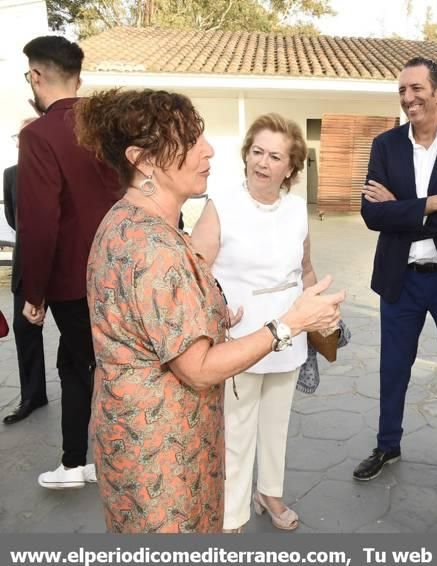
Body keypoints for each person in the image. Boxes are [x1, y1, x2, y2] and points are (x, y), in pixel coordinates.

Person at [76, 89, 344, 533]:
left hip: (146, 440)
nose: (210, 150)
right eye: (191, 140)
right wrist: (289, 324)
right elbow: (197, 369)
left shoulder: (128, 222)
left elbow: (160, 317)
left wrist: (218, 316)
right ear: (143, 159)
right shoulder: (154, 247)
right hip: (160, 455)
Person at [356, 57, 437, 496]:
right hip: (401, 279)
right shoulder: (385, 145)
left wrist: (404, 207)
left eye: (416, 88)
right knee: (393, 369)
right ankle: (386, 446)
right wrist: (432, 204)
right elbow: (373, 215)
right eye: (402, 91)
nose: (408, 98)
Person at [191, 113, 315, 532]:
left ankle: (270, 493)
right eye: (257, 152)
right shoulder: (220, 205)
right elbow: (193, 275)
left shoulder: (297, 209)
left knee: (276, 423)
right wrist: (216, 311)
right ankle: (232, 514)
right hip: (239, 337)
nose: (263, 162)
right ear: (246, 156)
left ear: (291, 168)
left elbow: (306, 269)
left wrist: (320, 312)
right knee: (237, 427)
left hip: (289, 334)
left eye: (275, 156)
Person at [16, 36, 120, 488]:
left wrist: (33, 294)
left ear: (37, 76)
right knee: (75, 365)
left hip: (73, 281)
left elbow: (40, 222)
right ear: (79, 75)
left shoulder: (39, 135)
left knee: (102, 368)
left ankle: (118, 459)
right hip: (117, 269)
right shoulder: (107, 127)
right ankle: (75, 461)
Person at [3, 117, 49, 425]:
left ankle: (89, 399)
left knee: (78, 338)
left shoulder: (62, 171)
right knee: (24, 331)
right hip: (26, 264)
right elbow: (12, 218)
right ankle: (33, 395)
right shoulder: (10, 175)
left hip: (65, 266)